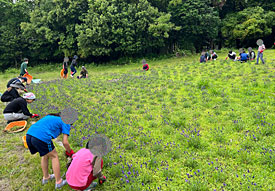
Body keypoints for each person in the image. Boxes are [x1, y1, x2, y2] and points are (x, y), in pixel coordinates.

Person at [26, 112, 75, 189]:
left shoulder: (52, 117)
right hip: (41, 136)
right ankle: (59, 182)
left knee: (45, 155)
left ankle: (46, 178)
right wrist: (70, 152)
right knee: (54, 156)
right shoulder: (66, 122)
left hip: (29, 134)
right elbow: (65, 142)